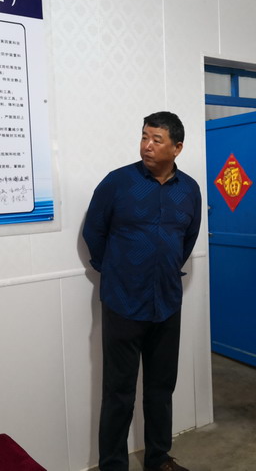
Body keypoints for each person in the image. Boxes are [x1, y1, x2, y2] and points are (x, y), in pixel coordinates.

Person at [83, 111, 201, 471]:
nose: (147, 146)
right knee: (118, 392)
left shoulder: (189, 190)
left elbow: (187, 238)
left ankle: (158, 458)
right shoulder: (118, 183)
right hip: (123, 301)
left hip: (167, 301)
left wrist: (163, 268)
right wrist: (116, 270)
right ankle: (113, 465)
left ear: (177, 148)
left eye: (156, 140)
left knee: (161, 388)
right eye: (144, 137)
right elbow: (94, 232)